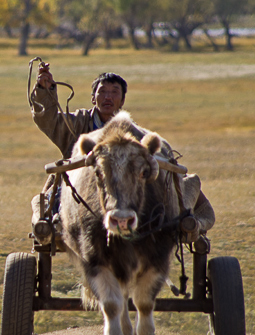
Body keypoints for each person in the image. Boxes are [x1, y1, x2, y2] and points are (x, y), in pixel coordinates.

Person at [28, 62, 215, 243]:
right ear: (93, 98)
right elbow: (49, 120)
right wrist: (44, 90)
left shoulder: (135, 134)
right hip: (79, 194)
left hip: (125, 196)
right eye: (102, 92)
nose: (107, 97)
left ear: (123, 100)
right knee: (56, 195)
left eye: (114, 92)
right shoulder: (75, 125)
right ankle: (56, 222)